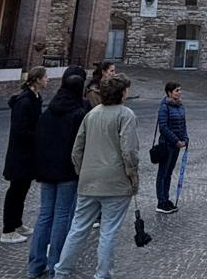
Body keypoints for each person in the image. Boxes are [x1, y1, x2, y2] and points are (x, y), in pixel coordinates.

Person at [52, 73, 139, 279]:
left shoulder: (91, 114)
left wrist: (83, 171)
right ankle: (102, 275)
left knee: (78, 229)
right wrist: (132, 174)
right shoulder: (125, 115)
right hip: (116, 183)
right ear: (122, 92)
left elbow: (76, 150)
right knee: (108, 232)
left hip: (89, 181)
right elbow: (129, 151)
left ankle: (61, 272)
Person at [28, 66, 88, 278]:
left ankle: (35, 265)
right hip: (67, 173)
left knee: (45, 214)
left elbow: (39, 139)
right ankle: (56, 265)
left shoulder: (48, 110)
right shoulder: (79, 113)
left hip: (46, 171)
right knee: (62, 216)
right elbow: (81, 146)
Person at [1, 66, 48, 244]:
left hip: (29, 153)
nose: (47, 80)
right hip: (20, 153)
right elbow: (20, 130)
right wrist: (40, 136)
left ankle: (17, 223)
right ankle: (7, 230)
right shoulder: (24, 102)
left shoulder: (35, 98)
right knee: (15, 190)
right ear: (37, 80)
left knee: (22, 189)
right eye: (45, 77)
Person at [155, 81, 188, 213]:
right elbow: (163, 127)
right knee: (162, 173)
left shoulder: (180, 106)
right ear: (169, 92)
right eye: (176, 90)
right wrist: (175, 140)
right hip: (167, 145)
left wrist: (185, 138)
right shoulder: (164, 107)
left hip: (177, 146)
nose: (179, 93)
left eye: (180, 90)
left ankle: (166, 199)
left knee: (168, 173)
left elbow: (183, 124)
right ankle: (161, 201)